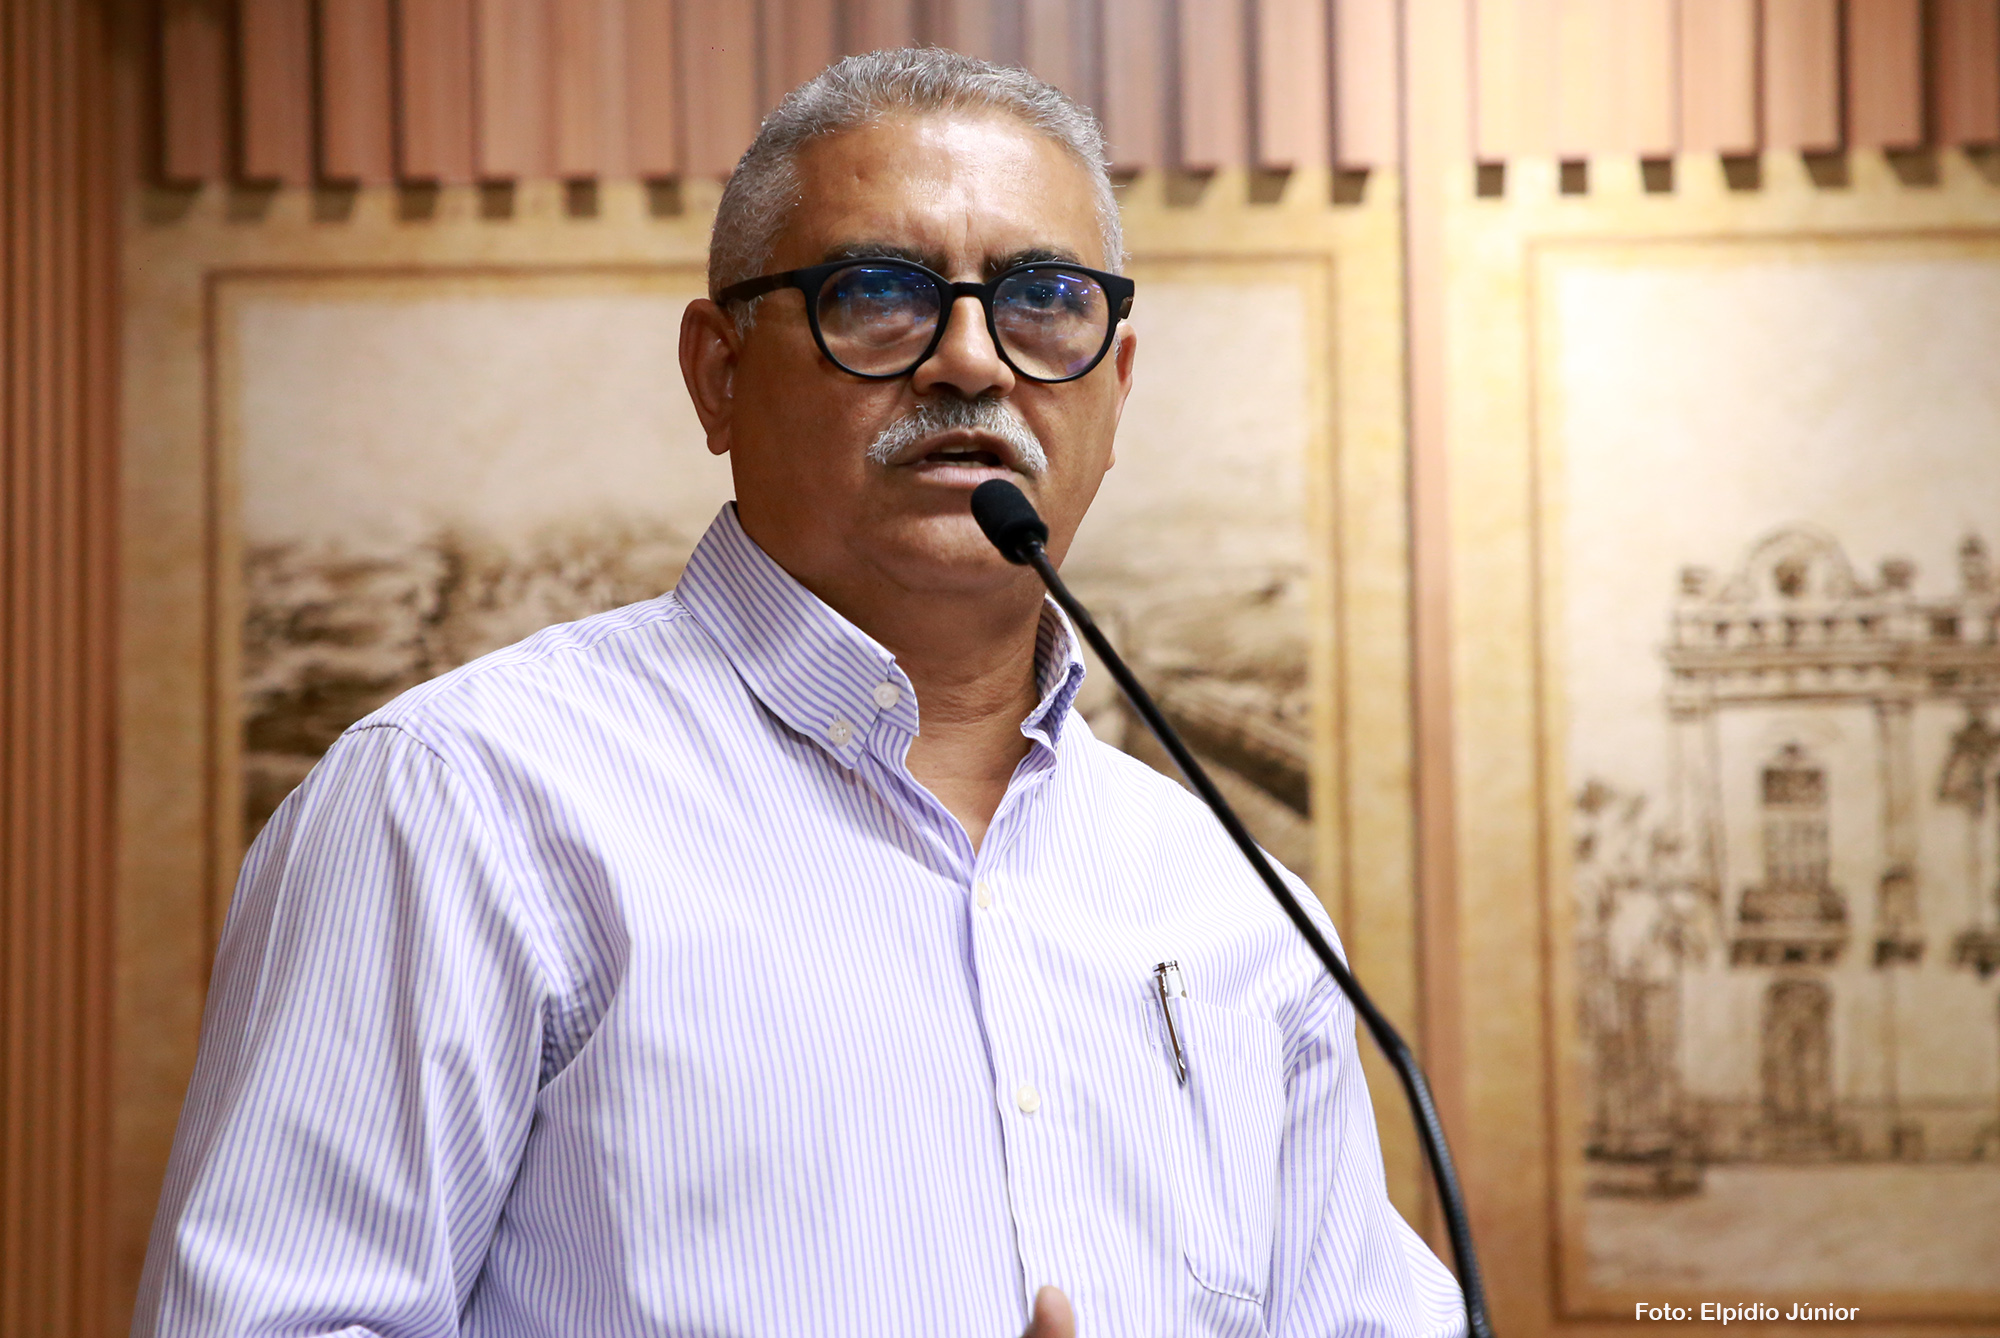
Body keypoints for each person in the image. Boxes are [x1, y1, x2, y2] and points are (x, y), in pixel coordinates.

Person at [133, 48, 1467, 1338]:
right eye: (879, 291)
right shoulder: (465, 799)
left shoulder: (1237, 902)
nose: (972, 359)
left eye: (1043, 298)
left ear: (1114, 386)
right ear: (719, 374)